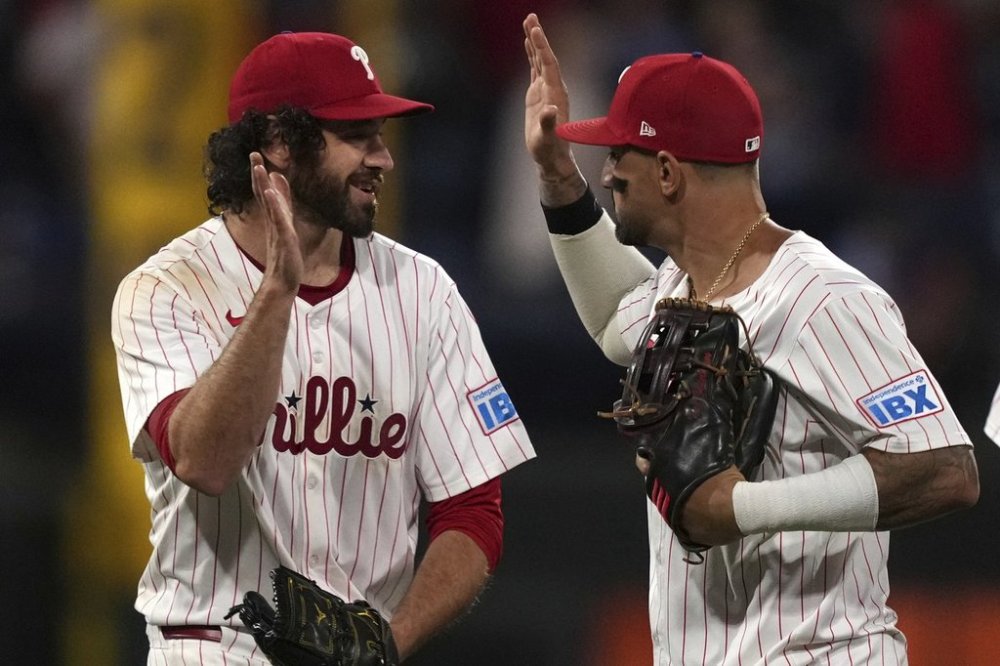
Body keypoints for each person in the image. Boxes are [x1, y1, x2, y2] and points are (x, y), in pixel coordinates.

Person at [522, 12, 978, 665]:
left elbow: (945, 470)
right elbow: (613, 316)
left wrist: (739, 507)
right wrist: (556, 178)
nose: (607, 176)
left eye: (617, 155)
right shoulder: (681, 285)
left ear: (671, 174)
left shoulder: (822, 296)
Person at [111, 31, 535, 664]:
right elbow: (205, 461)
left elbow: (474, 512)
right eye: (357, 134)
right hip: (209, 645)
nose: (382, 157)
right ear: (280, 142)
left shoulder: (424, 292)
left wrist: (392, 640)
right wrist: (278, 290)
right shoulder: (165, 290)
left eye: (381, 134)